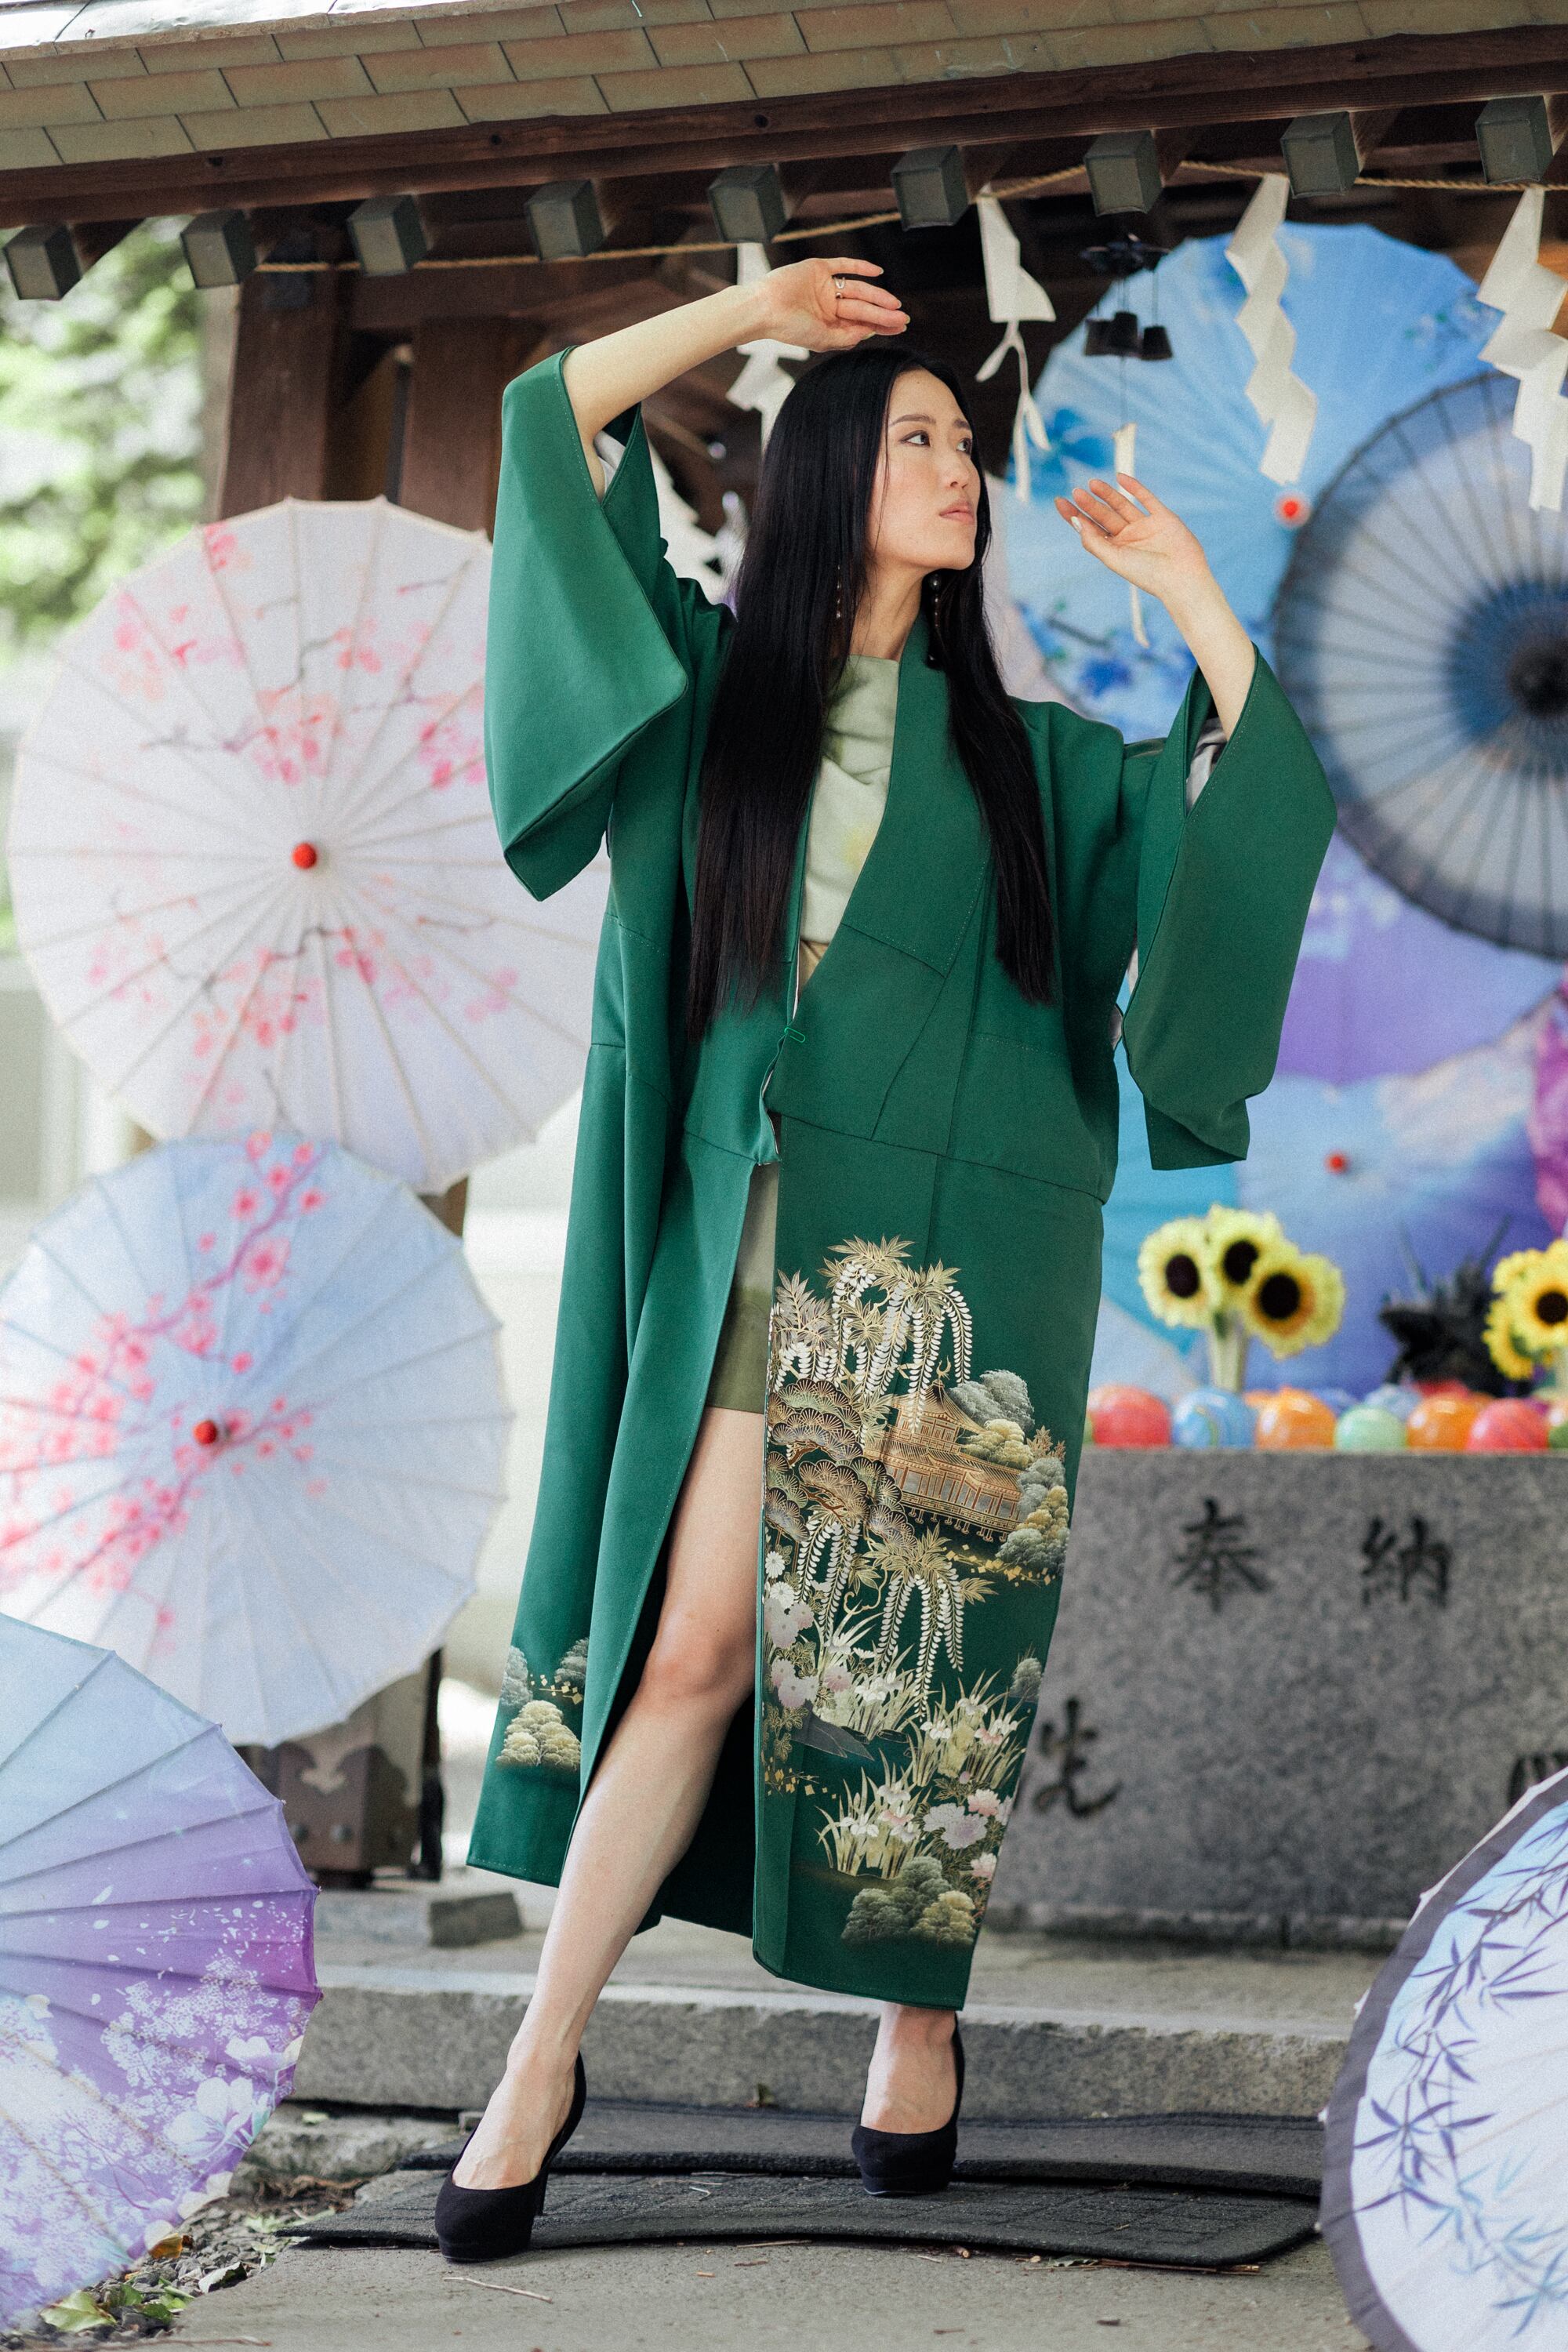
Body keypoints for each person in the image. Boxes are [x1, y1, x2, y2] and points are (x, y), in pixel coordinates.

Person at [441, 255, 1336, 2263]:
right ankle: (539, 2060)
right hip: (746, 1254)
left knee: (926, 1654)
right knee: (692, 1648)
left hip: (951, 1269)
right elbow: (546, 425)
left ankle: (915, 2019)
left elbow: (1240, 813)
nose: (961, 470)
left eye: (962, 442)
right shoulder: (706, 703)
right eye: (918, 438)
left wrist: (1196, 596)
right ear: (830, 474)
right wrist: (748, 304)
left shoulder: (1033, 763)